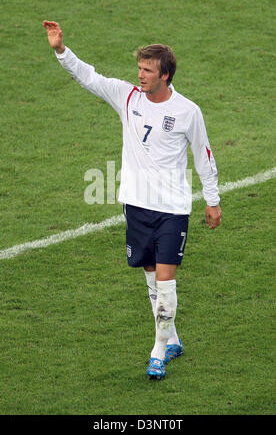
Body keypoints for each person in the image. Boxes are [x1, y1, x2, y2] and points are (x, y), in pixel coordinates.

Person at [43, 20, 222, 380]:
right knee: (152, 279)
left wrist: (212, 200)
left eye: (147, 70)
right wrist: (61, 50)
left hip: (172, 210)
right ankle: (171, 338)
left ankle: (157, 352)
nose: (140, 75)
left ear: (165, 75)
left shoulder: (188, 111)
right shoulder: (127, 97)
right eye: (139, 68)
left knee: (167, 282)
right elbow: (89, 77)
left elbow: (203, 155)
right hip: (137, 206)